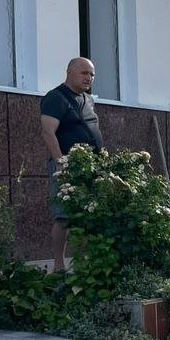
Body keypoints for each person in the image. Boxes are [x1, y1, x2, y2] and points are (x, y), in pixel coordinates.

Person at [39, 58, 104, 273]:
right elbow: (48, 132)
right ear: (69, 72)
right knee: (63, 217)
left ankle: (85, 264)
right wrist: (60, 163)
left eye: (92, 74)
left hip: (91, 166)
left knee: (89, 216)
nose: (89, 78)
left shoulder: (87, 99)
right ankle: (59, 265)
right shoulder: (55, 98)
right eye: (84, 73)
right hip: (67, 166)